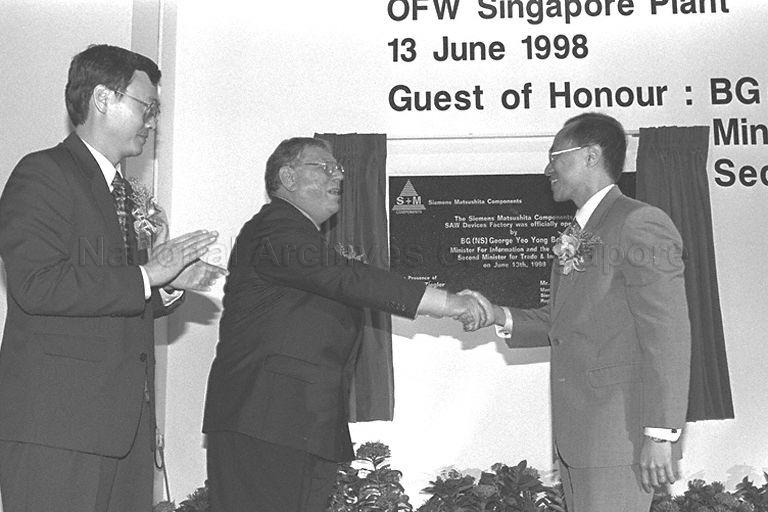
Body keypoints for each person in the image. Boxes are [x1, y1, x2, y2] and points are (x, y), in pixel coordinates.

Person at [202, 137, 484, 512]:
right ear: (287, 177)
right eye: (325, 167)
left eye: (339, 168)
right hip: (265, 421)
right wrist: (447, 303)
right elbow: (347, 278)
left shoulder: (300, 238)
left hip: (298, 423)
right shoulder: (274, 228)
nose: (339, 175)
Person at [0, 44, 226, 512]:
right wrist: (147, 274)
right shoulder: (43, 174)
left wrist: (167, 284)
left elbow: (119, 292)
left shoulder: (122, 191)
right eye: (148, 107)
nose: (153, 121)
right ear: (104, 98)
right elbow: (37, 284)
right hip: (59, 432)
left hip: (123, 431)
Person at [465, 113, 691, 512]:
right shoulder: (581, 231)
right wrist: (499, 314)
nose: (548, 167)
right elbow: (564, 322)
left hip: (617, 435)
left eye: (555, 155)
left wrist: (659, 435)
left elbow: (668, 334)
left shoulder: (639, 222)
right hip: (581, 436)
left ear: (591, 156)